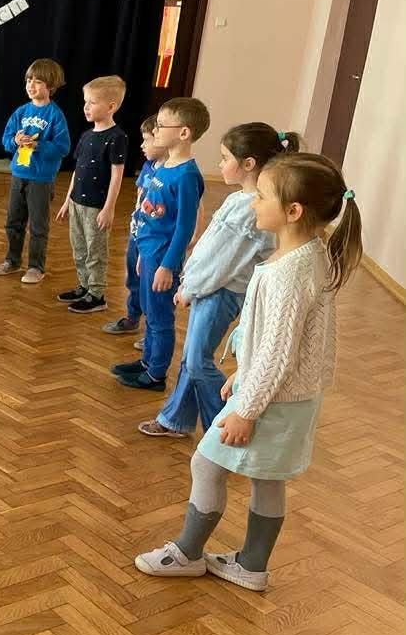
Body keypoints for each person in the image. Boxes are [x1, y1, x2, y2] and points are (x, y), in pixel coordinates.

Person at [135, 153, 361, 592]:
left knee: (206, 464)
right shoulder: (306, 255)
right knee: (267, 477)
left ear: (292, 211)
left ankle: (187, 553)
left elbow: (278, 354)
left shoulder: (291, 273)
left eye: (262, 196)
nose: (253, 202)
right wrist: (242, 373)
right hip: (286, 395)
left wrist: (246, 409)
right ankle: (252, 565)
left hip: (271, 399)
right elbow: (281, 345)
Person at [139, 124, 297, 439]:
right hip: (208, 288)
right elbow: (211, 248)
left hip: (220, 292)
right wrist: (190, 280)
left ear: (248, 164)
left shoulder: (249, 211)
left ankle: (224, 424)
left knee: (197, 362)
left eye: (225, 158)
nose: (220, 164)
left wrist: (190, 287)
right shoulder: (239, 199)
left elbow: (222, 263)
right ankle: (176, 419)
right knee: (191, 359)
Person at [110, 97, 209, 391]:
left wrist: (167, 266)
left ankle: (155, 375)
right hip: (149, 252)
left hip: (163, 257)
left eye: (162, 126)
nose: (156, 130)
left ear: (184, 133)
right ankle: (147, 362)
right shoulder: (164, 166)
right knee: (149, 311)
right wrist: (142, 252)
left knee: (160, 316)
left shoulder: (187, 175)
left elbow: (184, 227)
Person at [0, 58, 71, 284]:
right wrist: (15, 141)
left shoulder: (55, 115)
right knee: (13, 221)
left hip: (41, 179)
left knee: (38, 225)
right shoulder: (21, 112)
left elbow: (63, 147)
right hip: (19, 175)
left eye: (37, 81)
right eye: (28, 80)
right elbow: (6, 139)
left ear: (50, 85)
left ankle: (36, 267)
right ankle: (12, 260)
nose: (31, 85)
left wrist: (38, 145)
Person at [54, 76, 127, 313]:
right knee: (79, 248)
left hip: (97, 206)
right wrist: (67, 200)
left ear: (111, 106)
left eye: (92, 102)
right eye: (85, 102)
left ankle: (97, 294)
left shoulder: (117, 137)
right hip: (77, 202)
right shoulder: (86, 136)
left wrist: (109, 208)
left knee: (95, 250)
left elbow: (117, 176)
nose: (86, 107)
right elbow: (77, 171)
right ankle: (84, 286)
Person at [102, 115, 163, 346]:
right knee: (134, 279)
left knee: (151, 288)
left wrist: (194, 236)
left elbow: (195, 208)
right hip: (137, 234)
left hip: (154, 241)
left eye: (147, 140)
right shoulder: (147, 167)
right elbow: (140, 198)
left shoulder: (173, 173)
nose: (142, 145)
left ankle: (153, 333)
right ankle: (132, 317)